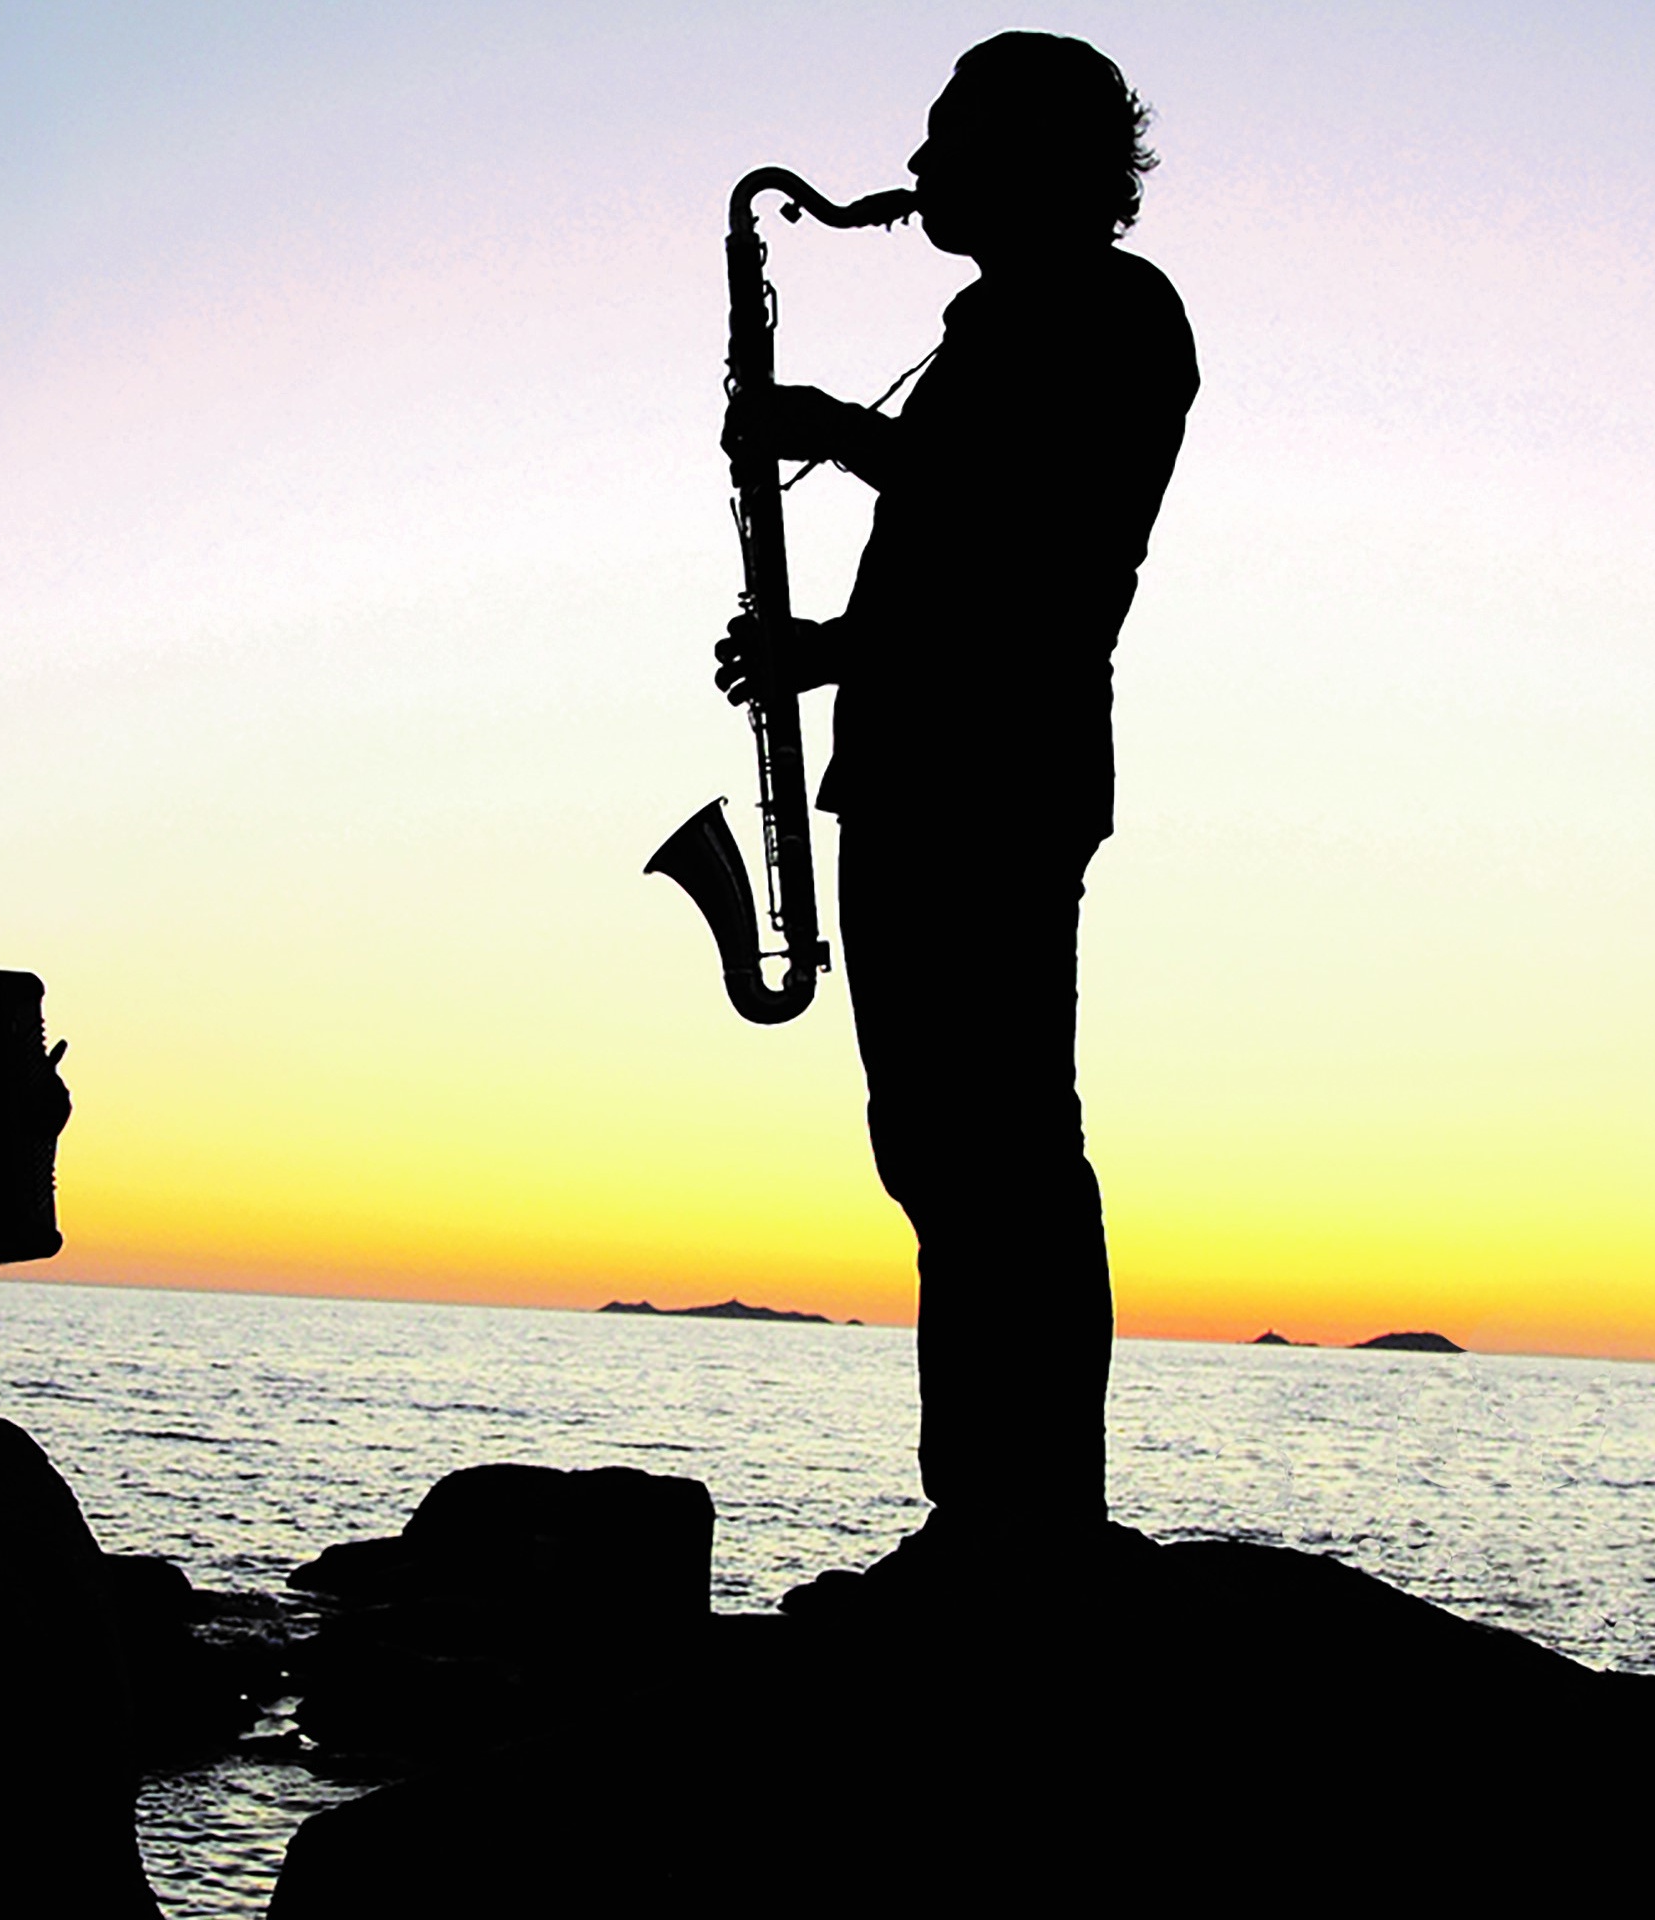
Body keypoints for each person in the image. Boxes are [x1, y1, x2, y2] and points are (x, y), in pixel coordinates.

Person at [713, 32, 1197, 1556]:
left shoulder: (1116, 314)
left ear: (1032, 157)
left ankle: (1027, 1520)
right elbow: (967, 552)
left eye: (947, 140)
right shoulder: (999, 322)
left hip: (995, 771)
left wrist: (834, 443)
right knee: (937, 1146)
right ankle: (983, 1508)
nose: (916, 170)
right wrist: (827, 648)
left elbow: (1028, 541)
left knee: (1003, 1152)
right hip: (922, 761)